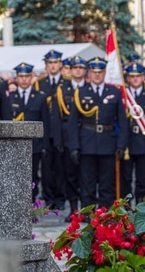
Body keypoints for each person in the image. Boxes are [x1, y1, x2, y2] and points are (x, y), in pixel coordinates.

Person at [68, 57, 129, 209]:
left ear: (104, 73)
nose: (97, 75)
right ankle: (89, 214)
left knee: (106, 184)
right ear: (88, 73)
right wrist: (74, 147)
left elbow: (122, 121)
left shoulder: (114, 92)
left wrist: (121, 145)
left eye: (100, 72)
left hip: (108, 143)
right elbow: (73, 123)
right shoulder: (80, 92)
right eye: (94, 72)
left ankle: (105, 215)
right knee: (87, 183)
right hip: (86, 143)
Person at [5, 62, 50, 201]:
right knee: (15, 176)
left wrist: (44, 144)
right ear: (16, 78)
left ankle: (31, 203)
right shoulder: (10, 97)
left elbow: (45, 123)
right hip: (15, 144)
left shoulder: (40, 97)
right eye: (21, 76)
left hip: (34, 144)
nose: (24, 79)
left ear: (32, 78)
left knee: (33, 176)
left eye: (27, 76)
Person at [54, 56, 87, 220]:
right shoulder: (63, 89)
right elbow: (57, 117)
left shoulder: (89, 88)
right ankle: (74, 209)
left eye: (81, 68)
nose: (78, 71)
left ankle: (87, 209)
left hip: (87, 135)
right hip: (67, 137)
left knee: (87, 175)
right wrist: (58, 140)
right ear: (70, 70)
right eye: (75, 68)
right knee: (70, 175)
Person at [121, 63, 145, 205]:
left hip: (143, 141)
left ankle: (139, 204)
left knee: (141, 178)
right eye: (132, 76)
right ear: (128, 78)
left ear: (143, 77)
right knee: (125, 178)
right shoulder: (123, 96)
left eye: (138, 76)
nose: (135, 79)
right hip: (126, 143)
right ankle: (126, 205)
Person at [36, 49, 65, 209]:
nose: (53, 66)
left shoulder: (66, 82)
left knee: (61, 167)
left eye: (55, 63)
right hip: (45, 131)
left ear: (60, 64)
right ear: (46, 66)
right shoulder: (40, 83)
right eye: (50, 63)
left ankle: (60, 199)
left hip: (62, 131)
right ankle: (48, 199)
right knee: (46, 168)